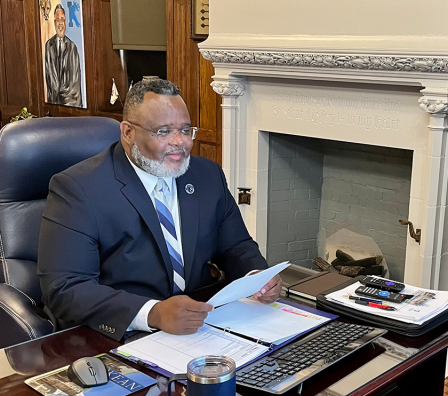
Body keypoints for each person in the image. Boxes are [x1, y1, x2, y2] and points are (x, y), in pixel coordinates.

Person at [38, 79, 281, 340]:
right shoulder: (78, 188)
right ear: (128, 132)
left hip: (201, 322)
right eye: (163, 131)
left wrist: (256, 276)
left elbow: (236, 245)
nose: (180, 142)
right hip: (120, 332)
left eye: (186, 130)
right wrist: (153, 313)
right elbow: (65, 288)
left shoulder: (207, 175)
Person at [44, 4, 82, 107]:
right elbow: (50, 77)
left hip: (70, 105)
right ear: (54, 23)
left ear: (65, 23)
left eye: (62, 20)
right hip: (53, 104)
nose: (60, 24)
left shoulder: (72, 47)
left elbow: (74, 84)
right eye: (57, 20)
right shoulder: (48, 45)